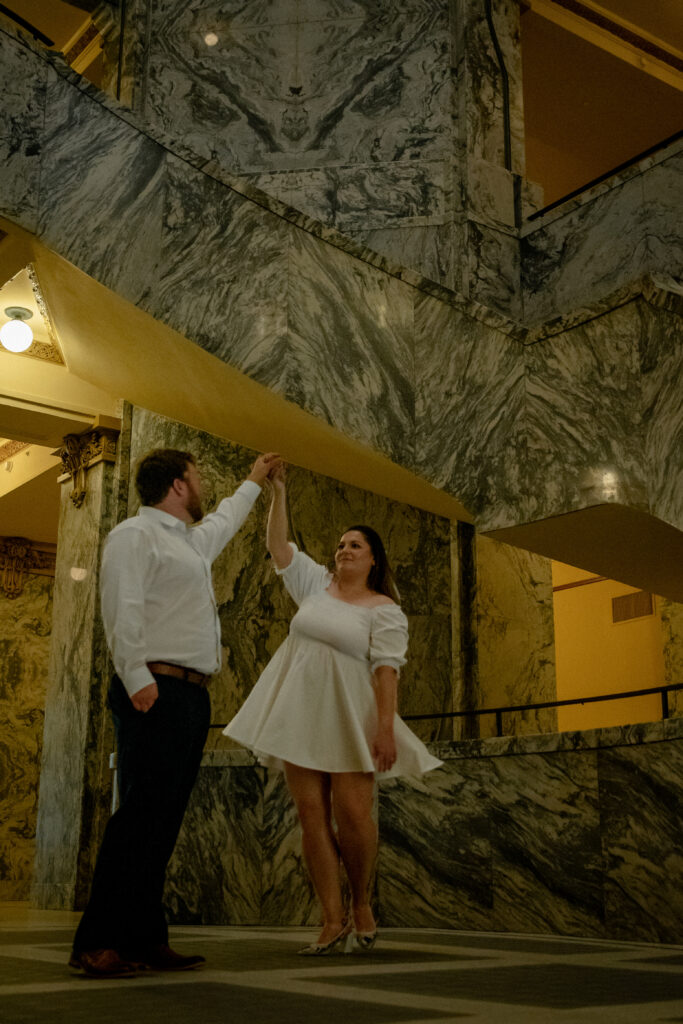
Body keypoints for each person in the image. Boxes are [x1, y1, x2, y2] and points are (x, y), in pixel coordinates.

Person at [69, 447, 280, 978]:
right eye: (198, 476)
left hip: (188, 694)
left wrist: (255, 479)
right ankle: (96, 942)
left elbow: (227, 520)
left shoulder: (187, 542)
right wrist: (137, 679)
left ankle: (143, 939)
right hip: (154, 688)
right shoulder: (133, 537)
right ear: (179, 486)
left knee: (162, 822)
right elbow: (122, 607)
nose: (203, 484)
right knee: (138, 819)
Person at [224, 465, 441, 955]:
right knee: (311, 815)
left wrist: (385, 730)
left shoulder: (385, 609)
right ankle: (331, 917)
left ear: (372, 560)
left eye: (355, 546)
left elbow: (388, 672)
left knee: (353, 816)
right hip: (300, 712)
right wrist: (278, 492)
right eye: (341, 544)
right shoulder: (314, 586)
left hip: (350, 717)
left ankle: (361, 902)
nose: (344, 550)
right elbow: (279, 548)